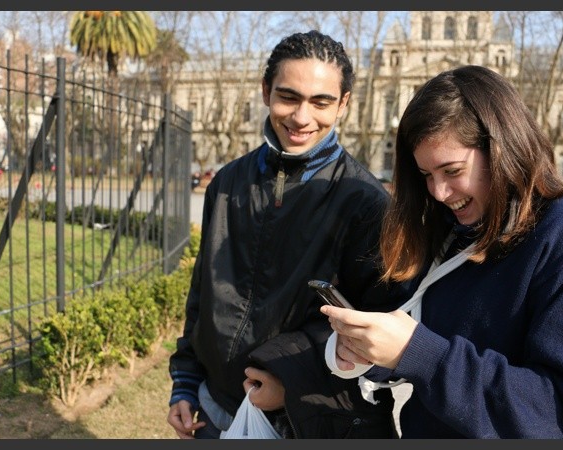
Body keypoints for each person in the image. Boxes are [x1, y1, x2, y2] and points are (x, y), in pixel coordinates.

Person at [321, 65, 563, 439]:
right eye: (426, 175)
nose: (438, 192)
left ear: (502, 147)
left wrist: (418, 353)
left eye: (452, 170)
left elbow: (558, 415)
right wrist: (369, 353)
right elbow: (425, 336)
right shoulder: (457, 226)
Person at [167, 30, 406, 439]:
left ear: (344, 103)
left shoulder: (367, 203)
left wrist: (293, 384)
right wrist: (185, 382)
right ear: (265, 91)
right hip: (211, 408)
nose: (301, 117)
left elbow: (377, 342)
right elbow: (201, 296)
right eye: (289, 97)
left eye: (321, 102)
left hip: (296, 422)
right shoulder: (226, 183)